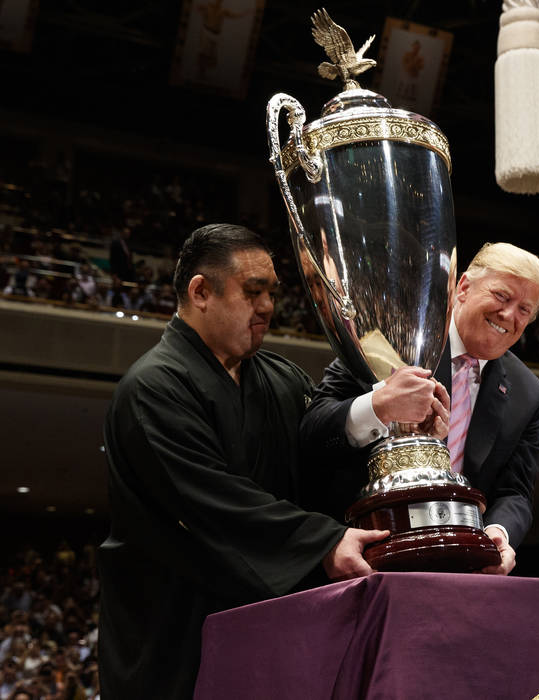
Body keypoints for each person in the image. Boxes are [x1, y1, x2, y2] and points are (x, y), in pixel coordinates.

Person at [98, 223, 387, 700]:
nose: (268, 307)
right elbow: (209, 500)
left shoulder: (282, 378)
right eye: (253, 292)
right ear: (201, 291)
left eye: (271, 292)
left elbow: (321, 461)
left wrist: (382, 425)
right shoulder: (152, 387)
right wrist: (322, 541)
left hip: (275, 626)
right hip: (175, 630)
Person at [301, 242, 539, 575]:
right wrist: (377, 407)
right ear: (464, 287)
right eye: (501, 296)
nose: (509, 316)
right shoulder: (388, 339)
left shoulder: (530, 394)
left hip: (460, 568)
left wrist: (498, 533)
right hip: (364, 557)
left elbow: (515, 492)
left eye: (524, 309)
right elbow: (311, 432)